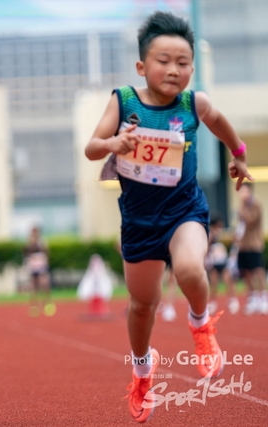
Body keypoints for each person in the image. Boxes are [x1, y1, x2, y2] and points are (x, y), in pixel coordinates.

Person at [85, 11, 252, 423]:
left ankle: (200, 325)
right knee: (143, 305)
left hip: (185, 212)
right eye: (164, 61)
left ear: (193, 68)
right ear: (142, 66)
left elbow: (220, 124)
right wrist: (114, 142)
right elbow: (91, 147)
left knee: (191, 268)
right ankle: (143, 372)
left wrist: (240, 155)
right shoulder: (123, 100)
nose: (174, 70)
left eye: (183, 62)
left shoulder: (195, 103)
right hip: (140, 222)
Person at [236, 183, 268, 315]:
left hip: (254, 243)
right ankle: (252, 298)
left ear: (250, 191)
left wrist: (242, 209)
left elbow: (250, 220)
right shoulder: (241, 205)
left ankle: (264, 298)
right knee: (246, 272)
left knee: (258, 270)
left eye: (245, 191)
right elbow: (240, 225)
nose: (242, 194)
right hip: (243, 244)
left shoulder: (256, 204)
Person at [205, 215, 239, 315]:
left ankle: (233, 300)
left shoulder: (222, 234)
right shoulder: (211, 234)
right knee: (214, 283)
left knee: (228, 280)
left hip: (223, 261)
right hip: (214, 262)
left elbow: (232, 240)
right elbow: (207, 247)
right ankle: (212, 302)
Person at [23, 225, 55, 317]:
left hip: (41, 266)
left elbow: (46, 252)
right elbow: (26, 252)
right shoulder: (29, 242)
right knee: (34, 287)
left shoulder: (42, 242)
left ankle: (48, 304)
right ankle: (34, 306)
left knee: (45, 284)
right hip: (33, 266)